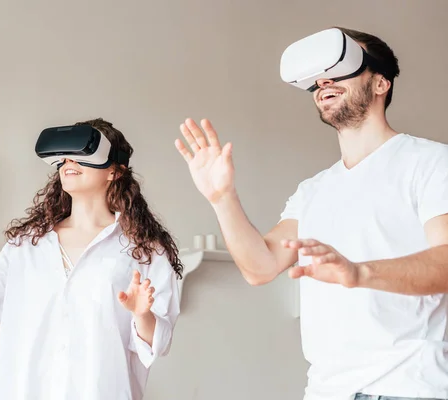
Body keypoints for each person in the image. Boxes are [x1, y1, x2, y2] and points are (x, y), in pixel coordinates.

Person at [175, 27, 448, 400]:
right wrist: (222, 198)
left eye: (341, 68)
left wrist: (358, 272)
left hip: (407, 387)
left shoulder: (431, 162)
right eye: (317, 78)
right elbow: (261, 266)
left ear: (381, 83)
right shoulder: (313, 191)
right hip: (326, 390)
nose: (323, 82)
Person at [0, 118, 182, 400]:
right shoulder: (27, 244)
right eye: (64, 157)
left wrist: (142, 314)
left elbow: (158, 343)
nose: (68, 162)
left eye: (81, 153)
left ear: (114, 171)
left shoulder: (145, 249)